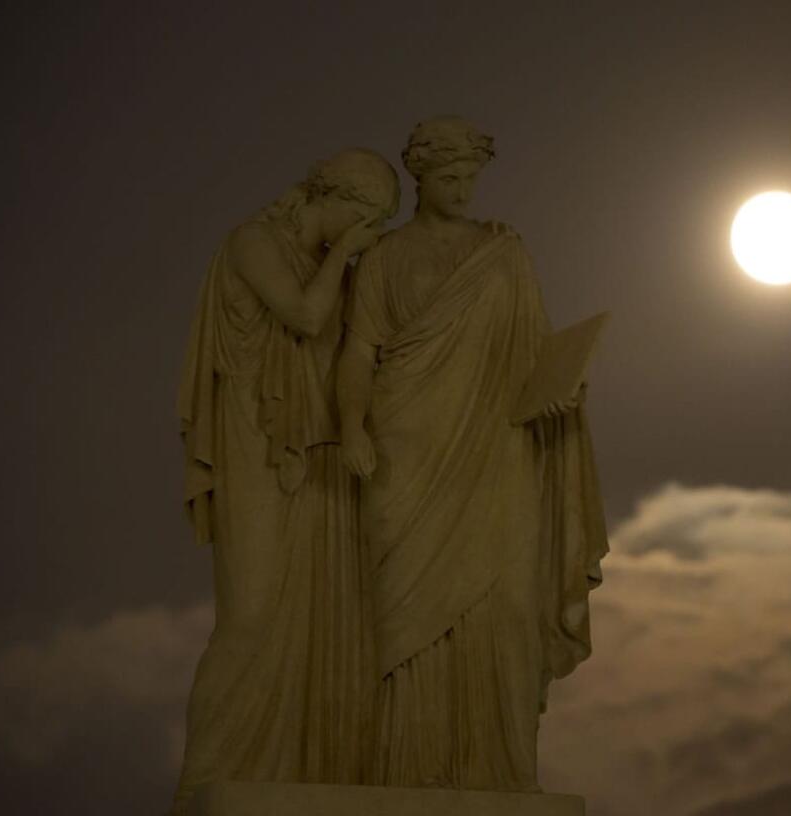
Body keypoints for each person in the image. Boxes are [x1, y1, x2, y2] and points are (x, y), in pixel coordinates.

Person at [338, 117, 608, 792]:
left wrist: (558, 394)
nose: (461, 189)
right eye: (447, 178)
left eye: (469, 177)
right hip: (406, 452)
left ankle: (499, 772)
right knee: (403, 622)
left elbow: (535, 355)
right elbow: (357, 354)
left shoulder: (504, 255)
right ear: (420, 179)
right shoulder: (383, 259)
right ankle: (406, 774)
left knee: (505, 607)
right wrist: (350, 425)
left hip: (496, 452)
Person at [173, 149, 399, 813]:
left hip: (319, 457)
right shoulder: (254, 242)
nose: (370, 235)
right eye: (369, 220)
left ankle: (301, 762)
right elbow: (304, 316)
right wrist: (344, 255)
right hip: (256, 446)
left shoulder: (341, 268)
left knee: (319, 616)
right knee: (247, 617)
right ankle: (200, 781)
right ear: (341, 203)